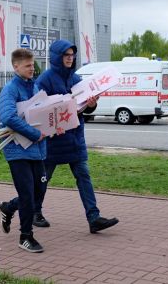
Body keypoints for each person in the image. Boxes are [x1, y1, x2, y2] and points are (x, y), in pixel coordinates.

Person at [34, 39, 119, 233]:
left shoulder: (77, 80)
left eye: (72, 55)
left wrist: (92, 104)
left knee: (84, 175)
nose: (70, 59)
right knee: (42, 178)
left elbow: (85, 109)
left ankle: (93, 217)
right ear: (57, 57)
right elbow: (38, 109)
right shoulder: (44, 80)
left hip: (74, 138)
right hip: (54, 140)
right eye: (66, 55)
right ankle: (34, 212)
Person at [0, 48, 47, 253]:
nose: (31, 69)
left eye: (32, 65)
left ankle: (7, 208)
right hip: (17, 150)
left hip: (37, 150)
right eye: (27, 66)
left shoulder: (35, 88)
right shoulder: (10, 90)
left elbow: (41, 113)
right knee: (27, 194)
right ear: (15, 66)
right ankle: (25, 236)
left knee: (37, 193)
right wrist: (35, 134)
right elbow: (8, 117)